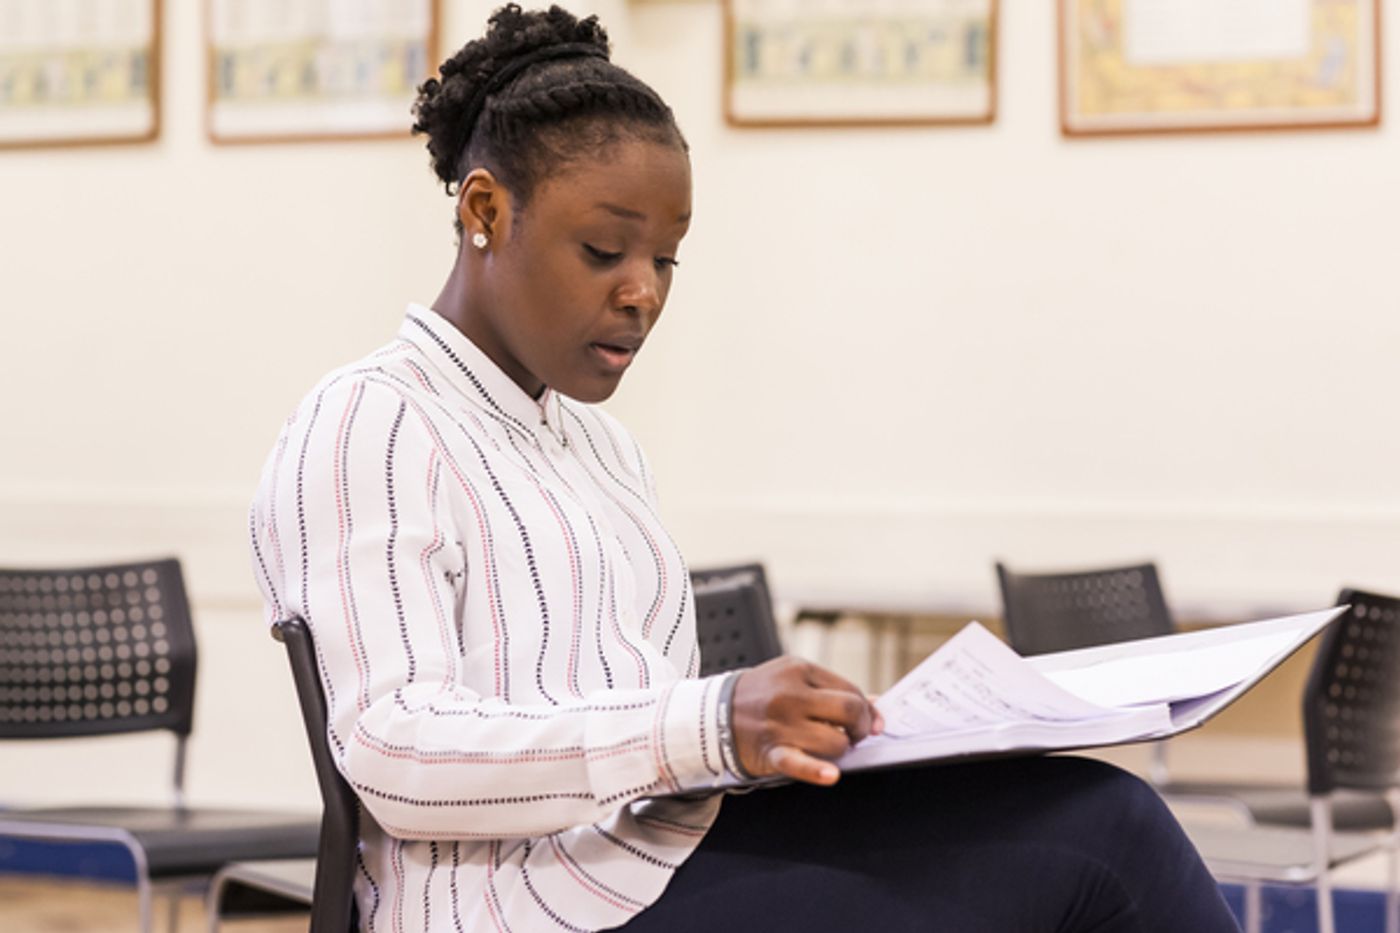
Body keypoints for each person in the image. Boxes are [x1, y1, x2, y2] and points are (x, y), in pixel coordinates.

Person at [249, 6, 1241, 931]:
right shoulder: (370, 423)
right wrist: (711, 721)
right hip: (526, 907)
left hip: (647, 854)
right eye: (602, 250)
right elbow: (394, 752)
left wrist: (791, 734)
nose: (641, 293)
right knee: (1100, 850)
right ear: (483, 212)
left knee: (1093, 807)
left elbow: (644, 720)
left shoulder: (596, 445)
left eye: (666, 260)